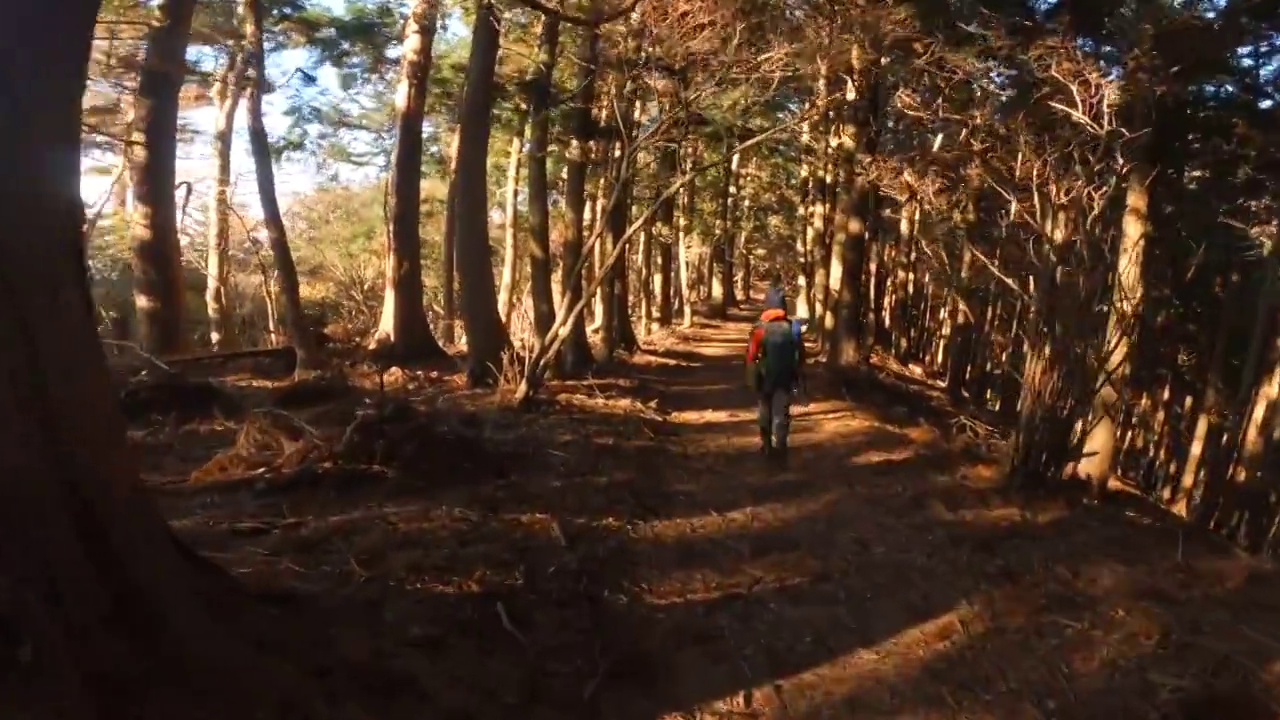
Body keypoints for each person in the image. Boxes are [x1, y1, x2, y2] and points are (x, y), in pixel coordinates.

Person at [745, 301, 805, 464]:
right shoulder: (793, 328)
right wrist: (797, 375)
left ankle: (766, 446)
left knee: (765, 410)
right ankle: (781, 447)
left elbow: (751, 355)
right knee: (782, 411)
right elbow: (800, 353)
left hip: (766, 377)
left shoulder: (760, 329)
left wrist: (753, 373)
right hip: (786, 376)